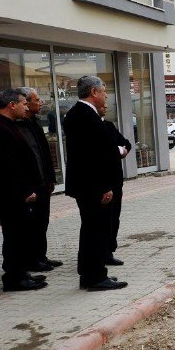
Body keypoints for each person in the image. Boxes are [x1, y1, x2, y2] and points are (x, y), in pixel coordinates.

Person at [62, 76, 127, 291]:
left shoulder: (81, 114)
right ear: (93, 91)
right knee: (95, 231)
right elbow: (92, 156)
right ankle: (95, 277)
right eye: (104, 91)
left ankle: (91, 274)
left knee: (92, 229)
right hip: (91, 186)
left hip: (87, 184)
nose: (106, 95)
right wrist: (104, 186)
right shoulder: (84, 116)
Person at [0, 89, 46, 291]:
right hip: (12, 196)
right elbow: (7, 167)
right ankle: (14, 278)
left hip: (16, 194)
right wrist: (24, 191)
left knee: (20, 235)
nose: (26, 107)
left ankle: (20, 272)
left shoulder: (8, 125)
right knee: (14, 237)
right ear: (11, 105)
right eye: (23, 103)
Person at [17, 87, 63, 272]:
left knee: (42, 221)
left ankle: (41, 256)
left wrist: (51, 178)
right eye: (37, 99)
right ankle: (31, 260)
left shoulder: (33, 123)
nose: (40, 102)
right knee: (31, 224)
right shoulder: (18, 126)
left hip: (43, 181)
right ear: (26, 103)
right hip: (31, 184)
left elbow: (43, 153)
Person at [99, 102, 131, 266]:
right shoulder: (93, 126)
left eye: (106, 106)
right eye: (103, 105)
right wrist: (117, 150)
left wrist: (121, 149)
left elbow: (127, 143)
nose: (105, 108)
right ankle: (99, 253)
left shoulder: (109, 126)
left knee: (114, 217)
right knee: (101, 220)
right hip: (100, 183)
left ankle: (109, 251)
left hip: (115, 180)